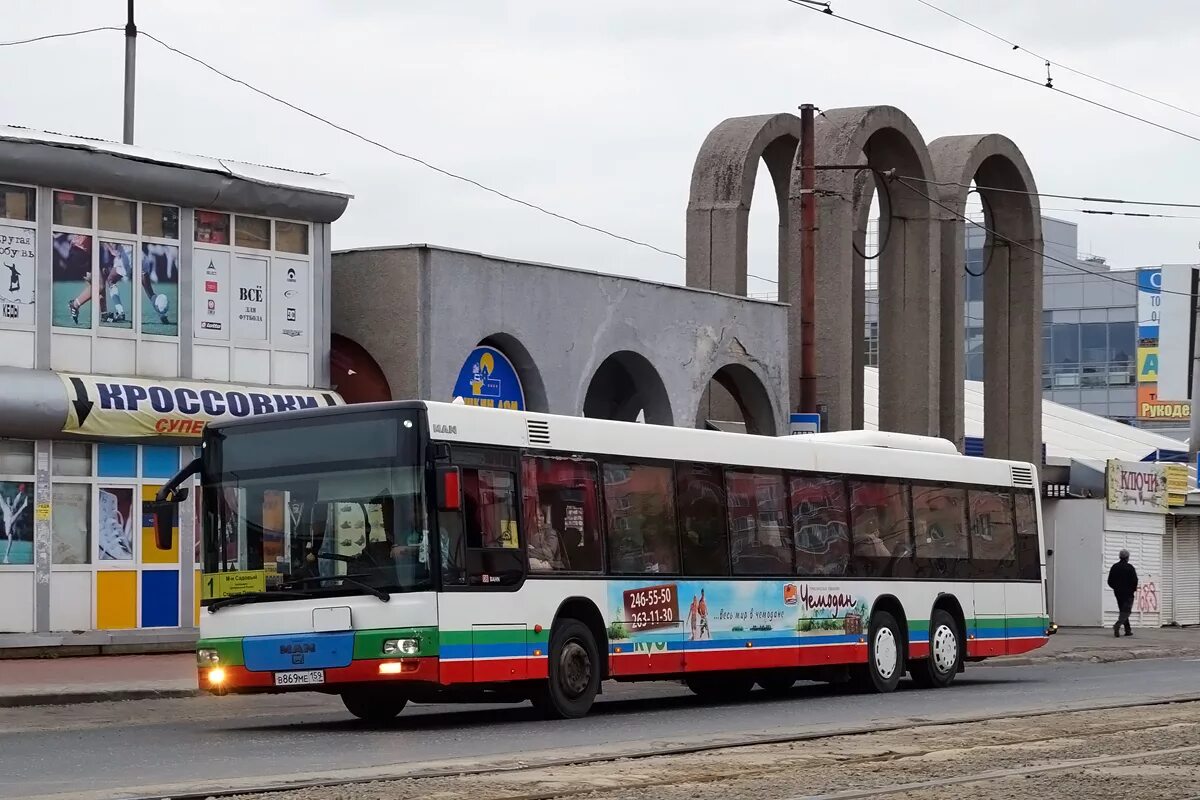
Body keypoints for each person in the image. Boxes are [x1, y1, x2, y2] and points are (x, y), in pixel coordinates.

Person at [1107, 549, 1138, 638]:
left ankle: (1128, 630)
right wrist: (1133, 589)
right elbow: (1135, 580)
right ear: (1127, 558)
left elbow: (1110, 581)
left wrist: (1115, 588)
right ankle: (1117, 625)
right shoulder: (1130, 567)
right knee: (1126, 611)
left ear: (1119, 557)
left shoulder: (1115, 567)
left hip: (1118, 593)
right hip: (1128, 593)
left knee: (1123, 611)